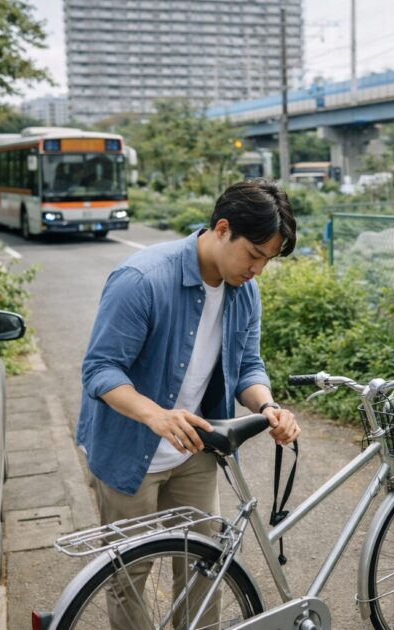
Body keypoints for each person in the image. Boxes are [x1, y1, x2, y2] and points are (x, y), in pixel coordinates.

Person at [76, 179, 301, 627]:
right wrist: (156, 416)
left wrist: (266, 407)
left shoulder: (245, 291)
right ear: (222, 229)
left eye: (267, 261)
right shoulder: (142, 279)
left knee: (206, 568)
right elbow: (100, 371)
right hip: (127, 450)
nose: (258, 270)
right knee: (129, 574)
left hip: (195, 448)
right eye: (254, 255)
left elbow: (249, 365)